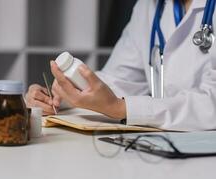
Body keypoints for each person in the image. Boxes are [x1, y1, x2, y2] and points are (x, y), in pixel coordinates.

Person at [26, 0, 216, 131]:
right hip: (165, 143)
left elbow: (211, 104)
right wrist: (63, 96)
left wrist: (120, 108)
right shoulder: (148, 6)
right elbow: (120, 79)